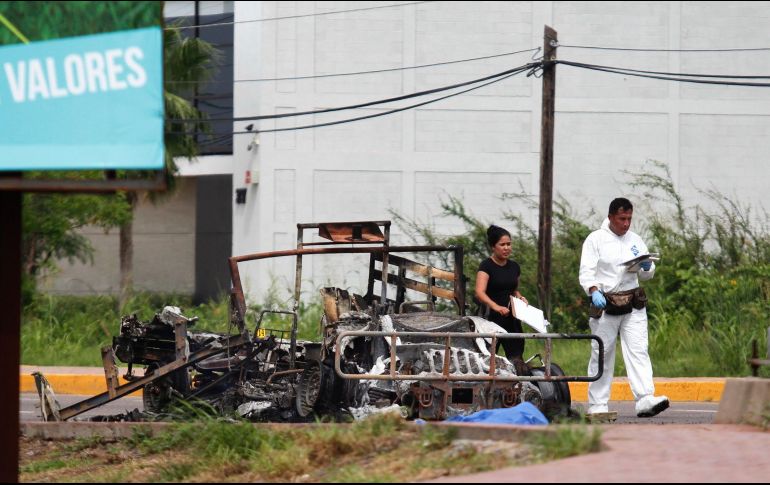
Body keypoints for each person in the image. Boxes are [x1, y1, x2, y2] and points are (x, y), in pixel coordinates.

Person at [579, 197, 669, 418]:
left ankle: (645, 398)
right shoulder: (595, 239)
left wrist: (647, 267)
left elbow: (646, 275)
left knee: (638, 349)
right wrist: (593, 290)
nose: (626, 223)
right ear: (611, 217)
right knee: (602, 352)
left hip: (633, 303)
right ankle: (598, 404)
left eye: (629, 218)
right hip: (605, 303)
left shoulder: (635, 240)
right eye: (622, 219)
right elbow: (586, 271)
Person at [475, 225, 528, 361]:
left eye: (508, 244)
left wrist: (520, 297)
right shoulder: (486, 266)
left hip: (511, 319)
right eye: (502, 244)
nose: (506, 248)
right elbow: (479, 292)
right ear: (493, 247)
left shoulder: (514, 267)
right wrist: (496, 307)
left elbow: (513, 289)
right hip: (490, 319)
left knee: (516, 358)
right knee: (487, 359)